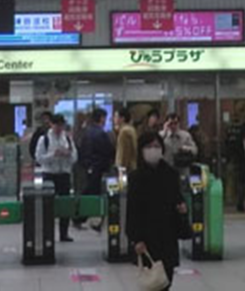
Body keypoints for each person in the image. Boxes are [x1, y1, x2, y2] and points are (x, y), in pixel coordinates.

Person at [126, 132, 187, 288]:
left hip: (167, 234)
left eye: (156, 146)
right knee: (152, 281)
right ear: (141, 150)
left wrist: (182, 208)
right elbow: (132, 210)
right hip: (147, 237)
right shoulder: (136, 177)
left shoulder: (171, 174)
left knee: (166, 279)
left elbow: (178, 199)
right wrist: (136, 239)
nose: (153, 150)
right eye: (148, 146)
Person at [35, 114, 78, 242]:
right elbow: (39, 158)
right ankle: (48, 233)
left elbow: (75, 157)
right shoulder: (44, 139)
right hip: (49, 174)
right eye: (56, 125)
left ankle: (64, 233)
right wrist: (53, 155)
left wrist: (67, 155)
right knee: (48, 205)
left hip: (64, 174)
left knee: (65, 204)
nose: (59, 128)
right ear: (51, 125)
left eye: (61, 125)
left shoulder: (68, 139)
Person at [76, 107, 114, 230]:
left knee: (88, 192)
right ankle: (82, 217)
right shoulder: (101, 133)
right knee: (94, 194)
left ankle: (80, 217)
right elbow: (108, 151)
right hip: (98, 168)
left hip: (89, 167)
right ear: (102, 118)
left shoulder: (87, 132)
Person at [114, 107, 138, 172]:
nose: (114, 119)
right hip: (130, 165)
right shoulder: (130, 129)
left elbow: (124, 153)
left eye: (116, 116)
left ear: (122, 118)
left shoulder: (124, 132)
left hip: (125, 167)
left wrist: (121, 169)